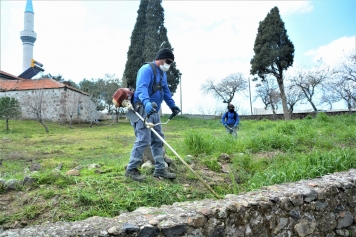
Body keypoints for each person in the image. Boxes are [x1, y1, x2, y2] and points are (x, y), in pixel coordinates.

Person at [125, 48, 181, 182]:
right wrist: (147, 103)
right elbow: (141, 88)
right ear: (161, 59)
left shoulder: (162, 74)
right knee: (143, 139)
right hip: (143, 108)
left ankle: (160, 169)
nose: (169, 64)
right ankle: (131, 169)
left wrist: (172, 105)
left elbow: (166, 91)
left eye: (171, 63)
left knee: (158, 140)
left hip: (154, 110)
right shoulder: (146, 69)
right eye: (168, 61)